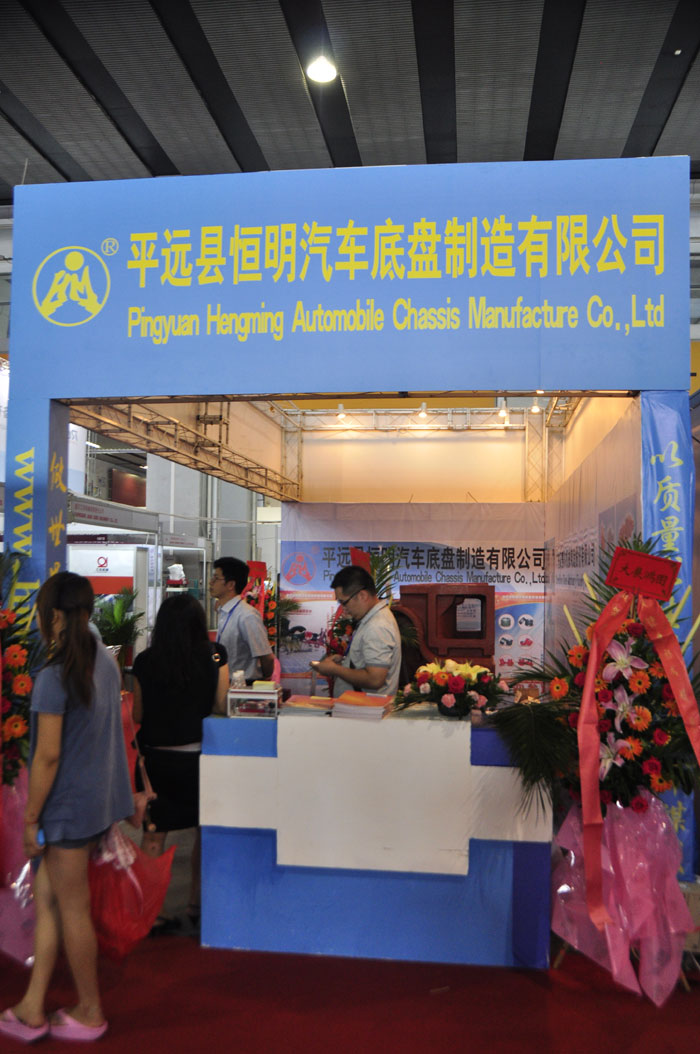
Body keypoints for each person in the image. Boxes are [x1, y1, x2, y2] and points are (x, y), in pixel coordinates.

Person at [0, 572, 133, 1043]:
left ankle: (91, 1009)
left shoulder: (54, 676)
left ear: (53, 615)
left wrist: (31, 819)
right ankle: (32, 1006)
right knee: (49, 901)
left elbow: (47, 756)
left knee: (71, 908)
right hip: (94, 802)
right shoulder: (103, 661)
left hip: (65, 809)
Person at [132, 594, 229, 933]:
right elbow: (221, 705)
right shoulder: (214, 655)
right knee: (206, 831)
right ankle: (196, 906)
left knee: (153, 837)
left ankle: (150, 915)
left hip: (156, 763)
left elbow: (137, 714)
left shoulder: (145, 661)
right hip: (200, 761)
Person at [313, 565, 401, 698]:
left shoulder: (377, 626)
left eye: (344, 602)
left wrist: (335, 670)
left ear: (362, 596)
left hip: (367, 708)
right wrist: (345, 662)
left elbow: (375, 679)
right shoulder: (371, 619)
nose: (343, 609)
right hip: (361, 707)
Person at [209, 557, 274, 683]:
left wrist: (263, 682)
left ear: (231, 585)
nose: (211, 582)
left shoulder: (247, 615)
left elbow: (267, 657)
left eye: (216, 578)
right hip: (226, 682)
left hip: (246, 685)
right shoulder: (224, 611)